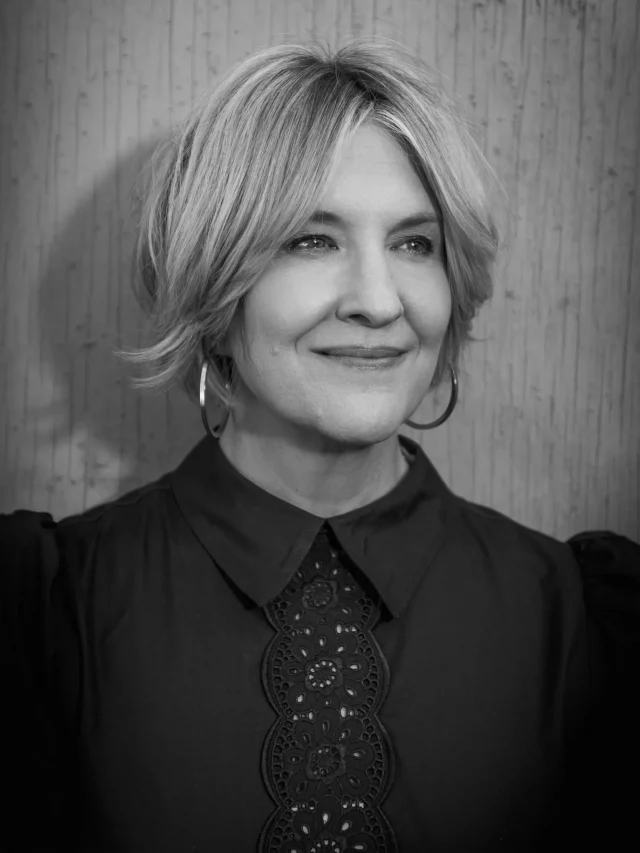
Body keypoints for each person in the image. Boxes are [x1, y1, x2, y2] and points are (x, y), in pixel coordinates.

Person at [1, 36, 638, 853]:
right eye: (312, 239)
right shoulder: (46, 610)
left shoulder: (584, 616)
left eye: (415, 243)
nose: (379, 300)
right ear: (212, 286)